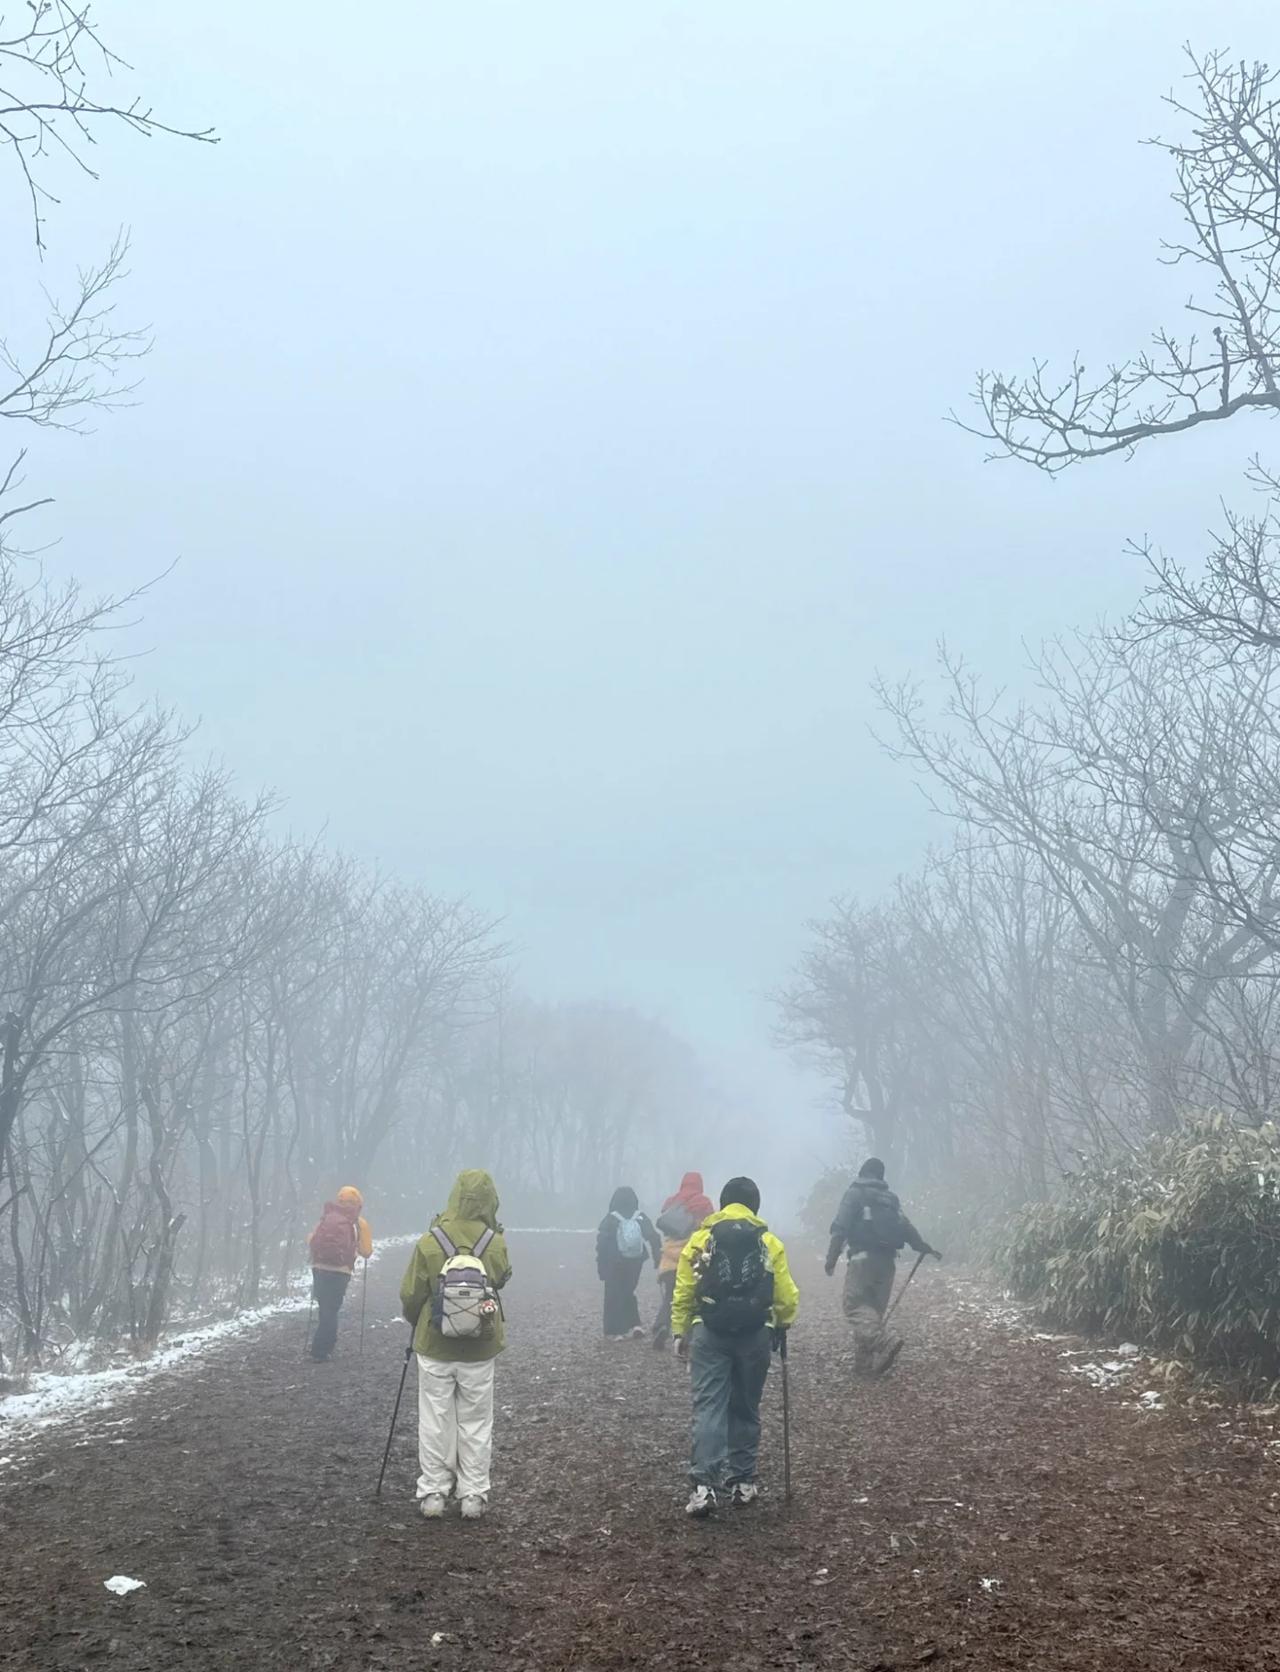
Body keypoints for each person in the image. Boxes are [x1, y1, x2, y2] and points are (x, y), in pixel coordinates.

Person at [672, 1176, 799, 1518]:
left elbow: (684, 1288)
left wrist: (680, 1329)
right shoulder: (768, 1241)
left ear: (722, 1203)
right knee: (745, 1406)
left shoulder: (702, 1239)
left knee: (709, 1407)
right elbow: (786, 1295)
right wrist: (782, 1322)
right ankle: (742, 1482)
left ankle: (704, 1487)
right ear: (755, 1206)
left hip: (709, 1331)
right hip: (755, 1333)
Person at [400, 1169, 512, 1521]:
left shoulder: (430, 1240)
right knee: (476, 1421)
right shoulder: (495, 1242)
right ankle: (473, 1495)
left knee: (435, 1419)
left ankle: (434, 1492)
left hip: (435, 1346)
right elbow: (501, 1278)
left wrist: (417, 1320)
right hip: (480, 1347)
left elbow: (410, 1293)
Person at [825, 1158, 940, 1377]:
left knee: (855, 1306)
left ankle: (884, 1341)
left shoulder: (855, 1193)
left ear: (862, 1173)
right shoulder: (890, 1199)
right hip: (887, 1263)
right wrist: (921, 1246)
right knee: (872, 1314)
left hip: (862, 1260)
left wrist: (831, 1259)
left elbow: (840, 1227)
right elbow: (905, 1225)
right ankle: (864, 1366)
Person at [307, 1185, 373, 1362]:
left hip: (319, 1268)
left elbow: (311, 1240)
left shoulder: (327, 1217)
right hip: (341, 1271)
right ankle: (321, 1350)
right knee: (332, 1309)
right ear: (358, 1204)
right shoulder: (359, 1223)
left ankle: (324, 1346)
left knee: (324, 1307)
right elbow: (366, 1252)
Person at [652, 1171, 713, 1349]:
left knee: (670, 1296)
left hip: (669, 1258)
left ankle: (662, 1325)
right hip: (692, 1256)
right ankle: (687, 1334)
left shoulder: (671, 1202)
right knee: (692, 1297)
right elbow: (710, 1226)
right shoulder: (703, 1203)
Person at [596, 1186, 661, 1340]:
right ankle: (635, 1325)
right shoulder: (639, 1216)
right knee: (628, 1291)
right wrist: (657, 1258)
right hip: (635, 1261)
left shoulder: (611, 1218)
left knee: (613, 1293)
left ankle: (615, 1331)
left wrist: (601, 1267)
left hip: (615, 1261)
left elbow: (601, 1244)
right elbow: (653, 1237)